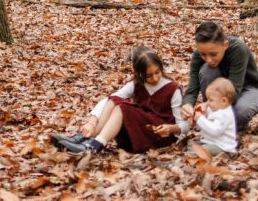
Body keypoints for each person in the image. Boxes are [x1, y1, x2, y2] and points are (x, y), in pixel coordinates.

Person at [50, 47, 189, 154]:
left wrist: (171, 129)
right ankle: (85, 137)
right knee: (115, 99)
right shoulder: (137, 84)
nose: (154, 78)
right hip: (138, 132)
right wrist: (92, 123)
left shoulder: (172, 89)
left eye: (157, 72)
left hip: (161, 136)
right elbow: (110, 100)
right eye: (148, 76)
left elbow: (184, 126)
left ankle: (93, 146)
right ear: (139, 75)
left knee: (122, 107)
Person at [181, 21, 258, 132]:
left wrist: (207, 105)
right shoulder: (199, 54)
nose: (208, 59)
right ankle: (213, 120)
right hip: (219, 89)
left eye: (213, 54)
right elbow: (192, 89)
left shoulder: (238, 49)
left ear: (225, 46)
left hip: (248, 88)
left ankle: (229, 124)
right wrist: (188, 105)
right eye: (203, 54)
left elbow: (234, 90)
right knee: (207, 70)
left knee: (240, 112)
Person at [192, 77, 238, 157]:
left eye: (211, 100)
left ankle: (188, 156)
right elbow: (205, 126)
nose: (207, 103)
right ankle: (192, 152)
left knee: (201, 150)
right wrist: (199, 117)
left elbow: (215, 130)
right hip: (210, 142)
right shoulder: (213, 109)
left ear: (224, 101)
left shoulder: (225, 114)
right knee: (192, 144)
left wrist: (200, 119)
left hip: (222, 148)